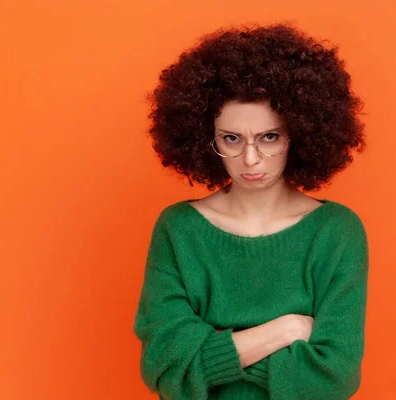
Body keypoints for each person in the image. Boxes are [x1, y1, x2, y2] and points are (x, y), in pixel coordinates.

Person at [133, 22, 369, 400]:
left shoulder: (335, 232)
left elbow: (334, 378)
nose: (250, 158)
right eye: (231, 138)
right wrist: (284, 331)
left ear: (301, 134)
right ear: (205, 139)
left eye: (269, 137)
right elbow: (163, 366)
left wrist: (207, 355)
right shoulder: (178, 229)